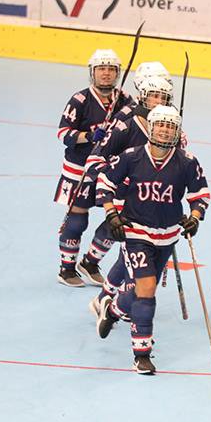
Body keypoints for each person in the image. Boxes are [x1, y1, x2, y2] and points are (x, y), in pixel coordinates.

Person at [94, 105, 210, 374]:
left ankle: (113, 311)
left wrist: (194, 217)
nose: (165, 130)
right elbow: (104, 184)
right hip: (136, 233)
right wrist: (112, 215)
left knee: (137, 293)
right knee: (147, 288)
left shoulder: (187, 161)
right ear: (151, 127)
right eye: (161, 125)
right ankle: (142, 353)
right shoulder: (131, 157)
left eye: (171, 126)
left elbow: (200, 194)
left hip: (167, 236)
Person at [85, 75, 177, 318]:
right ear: (143, 97)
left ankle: (104, 298)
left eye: (164, 97)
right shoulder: (126, 124)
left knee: (128, 254)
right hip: (125, 202)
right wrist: (117, 180)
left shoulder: (167, 127)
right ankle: (122, 304)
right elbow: (95, 161)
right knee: (133, 255)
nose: (159, 101)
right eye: (154, 96)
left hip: (150, 202)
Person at [54, 49, 131, 288]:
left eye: (111, 69)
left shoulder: (126, 100)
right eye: (101, 69)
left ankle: (90, 262)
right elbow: (63, 133)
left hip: (111, 170)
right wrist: (89, 136)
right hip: (80, 169)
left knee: (116, 219)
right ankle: (66, 268)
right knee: (77, 220)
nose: (106, 74)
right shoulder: (80, 100)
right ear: (92, 72)